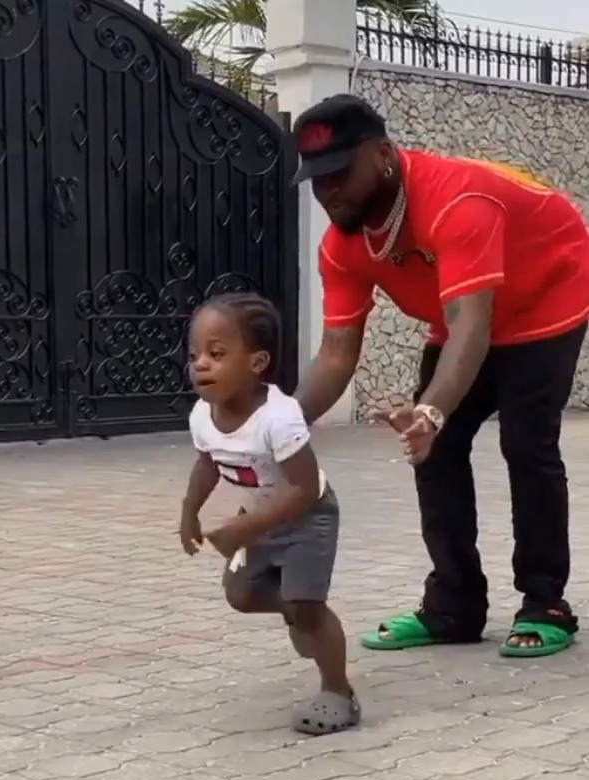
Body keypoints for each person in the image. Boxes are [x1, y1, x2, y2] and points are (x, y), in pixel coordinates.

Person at [292, 94, 589, 658]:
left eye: (339, 174)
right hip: (462, 313)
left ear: (383, 155)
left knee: (526, 442)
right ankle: (453, 606)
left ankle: (545, 601)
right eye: (316, 179)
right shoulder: (343, 246)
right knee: (432, 449)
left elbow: (471, 327)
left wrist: (432, 410)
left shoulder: (457, 202)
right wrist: (275, 424)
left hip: (546, 295)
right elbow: (334, 355)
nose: (328, 191)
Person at [179, 292, 360, 734]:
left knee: (309, 607)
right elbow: (208, 463)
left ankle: (339, 692)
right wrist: (189, 511)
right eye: (194, 354)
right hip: (259, 516)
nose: (200, 364)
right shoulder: (203, 414)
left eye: (216, 354)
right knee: (240, 594)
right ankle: (297, 609)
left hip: (308, 517)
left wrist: (246, 528)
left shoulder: (279, 418)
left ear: (256, 362)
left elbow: (304, 488)